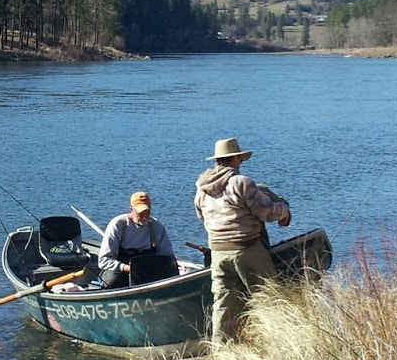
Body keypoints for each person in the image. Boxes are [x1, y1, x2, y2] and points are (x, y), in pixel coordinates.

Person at [194, 137, 292, 344]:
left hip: (217, 253)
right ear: (235, 159)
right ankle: (277, 343)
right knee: (268, 296)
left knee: (223, 304)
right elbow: (267, 212)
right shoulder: (241, 183)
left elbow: (201, 215)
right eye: (240, 159)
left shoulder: (202, 187)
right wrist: (284, 210)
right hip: (246, 248)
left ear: (218, 160)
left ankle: (221, 350)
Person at [97, 191, 175, 290]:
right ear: (131, 209)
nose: (144, 217)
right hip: (122, 270)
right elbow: (104, 260)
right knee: (113, 282)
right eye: (140, 213)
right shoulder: (118, 225)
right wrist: (127, 268)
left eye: (147, 212)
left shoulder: (155, 226)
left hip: (147, 268)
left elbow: (167, 255)